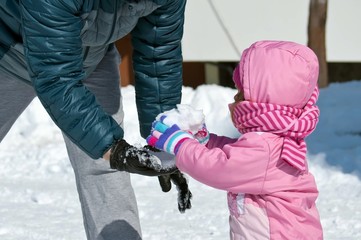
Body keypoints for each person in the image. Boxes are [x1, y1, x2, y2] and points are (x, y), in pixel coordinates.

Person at [0, 1, 191, 239]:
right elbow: (57, 79)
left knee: (106, 166)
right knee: (110, 151)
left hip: (92, 56)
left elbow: (158, 51)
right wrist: (113, 150)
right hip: (9, 53)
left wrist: (164, 142)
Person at [147, 40, 324, 239]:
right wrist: (206, 142)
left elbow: (222, 169)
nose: (235, 99)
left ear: (263, 100)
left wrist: (181, 145)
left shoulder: (265, 147)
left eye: (241, 93)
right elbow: (238, 153)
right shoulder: (273, 140)